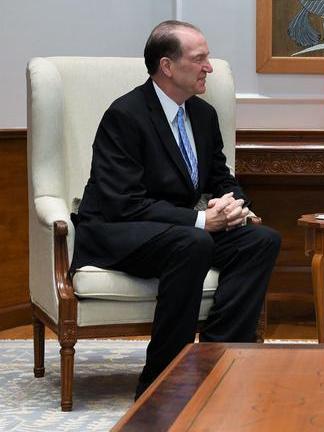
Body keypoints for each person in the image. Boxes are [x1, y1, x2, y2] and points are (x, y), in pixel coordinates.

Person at [69, 20, 281, 399]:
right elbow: (124, 203)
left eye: (208, 58)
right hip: (117, 229)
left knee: (261, 241)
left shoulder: (203, 115)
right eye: (200, 59)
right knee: (193, 243)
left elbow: (221, 176)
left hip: (176, 231)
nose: (209, 67)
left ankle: (217, 359)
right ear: (167, 66)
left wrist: (234, 204)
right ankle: (162, 383)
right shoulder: (125, 115)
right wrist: (201, 219)